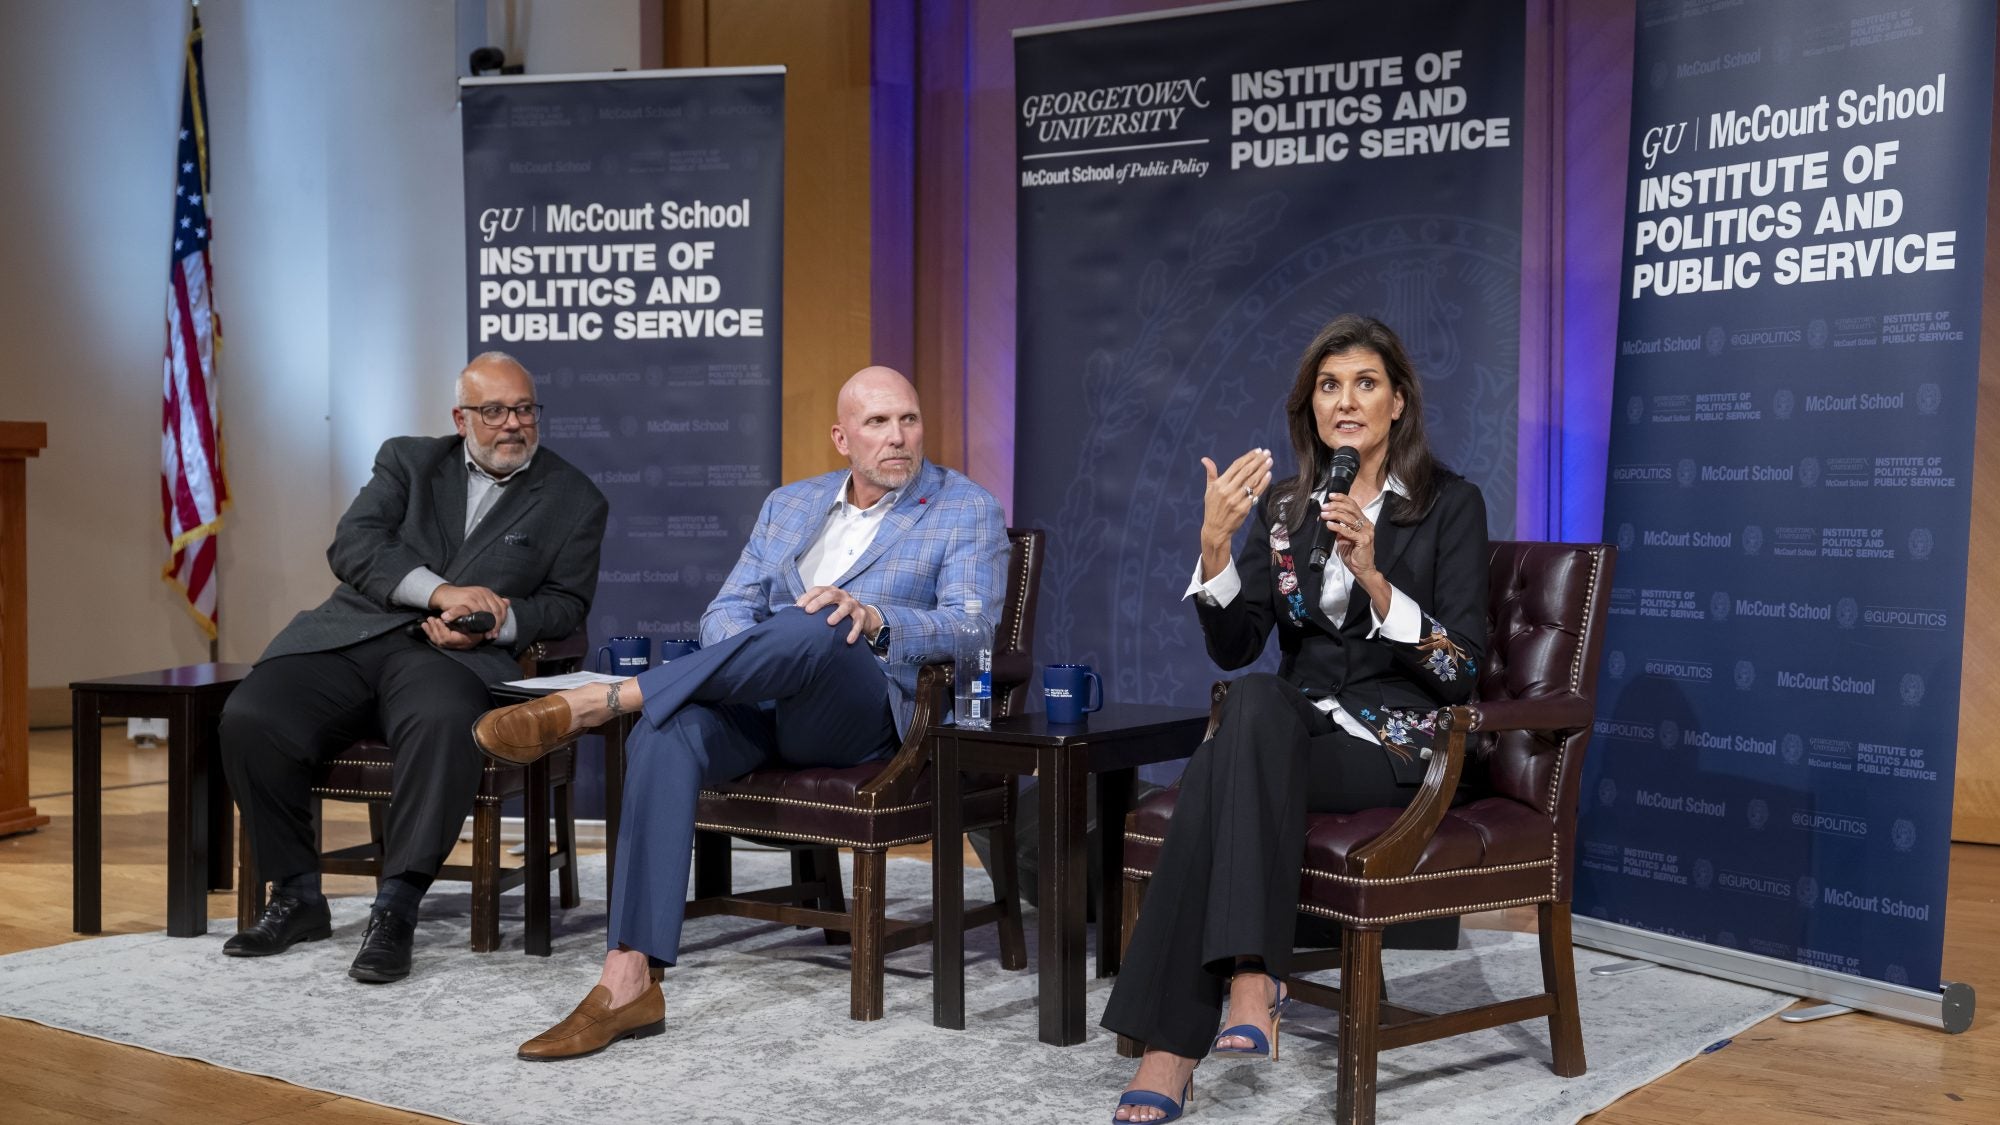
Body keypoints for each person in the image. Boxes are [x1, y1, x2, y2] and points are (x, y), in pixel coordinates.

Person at [470, 365, 1007, 1061]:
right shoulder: (791, 504)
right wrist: (759, 653)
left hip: (864, 710)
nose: (898, 436)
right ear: (843, 436)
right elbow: (725, 608)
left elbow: (973, 632)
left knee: (823, 617)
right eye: (877, 423)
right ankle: (627, 978)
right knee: (668, 729)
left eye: (908, 420)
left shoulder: (965, 507)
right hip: (762, 701)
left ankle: (608, 699)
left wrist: (875, 617)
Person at [1102, 315, 1489, 1122]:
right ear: (1310, 407)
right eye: (1328, 385)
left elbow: (1462, 672)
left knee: (1220, 766)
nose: (1345, 401)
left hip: (1396, 743)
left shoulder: (1450, 505)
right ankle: (1251, 980)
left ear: (1398, 403)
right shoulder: (1286, 506)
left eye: (1364, 383)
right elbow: (1237, 644)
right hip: (1292, 726)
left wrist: (1376, 579)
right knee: (1250, 704)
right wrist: (1214, 549)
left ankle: (1174, 1048)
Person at [217, 352, 608, 984]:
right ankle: (295, 894)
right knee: (252, 715)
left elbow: (565, 605)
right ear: (461, 418)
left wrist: (495, 620)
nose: (513, 424)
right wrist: (439, 592)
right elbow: (355, 544)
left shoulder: (574, 497)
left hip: (453, 658)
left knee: (441, 719)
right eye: (494, 411)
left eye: (525, 409)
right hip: (354, 637)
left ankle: (396, 908)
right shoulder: (407, 460)